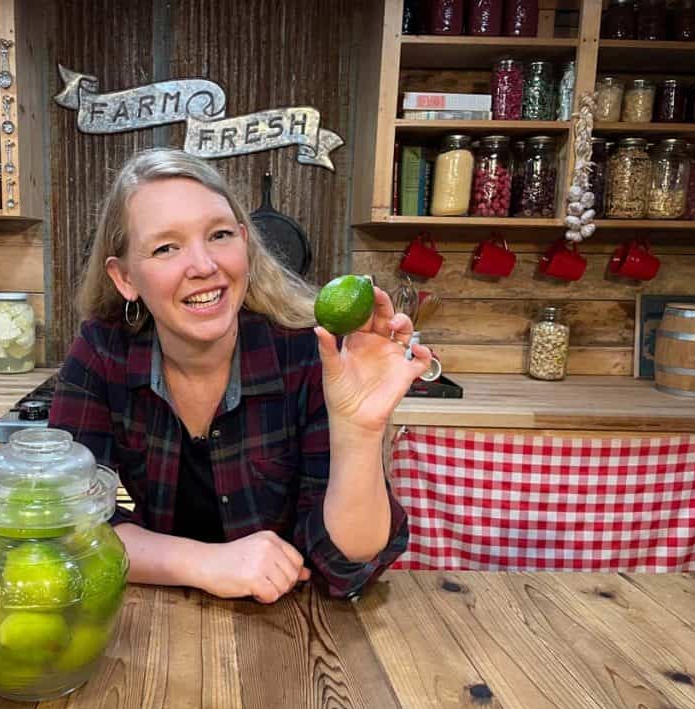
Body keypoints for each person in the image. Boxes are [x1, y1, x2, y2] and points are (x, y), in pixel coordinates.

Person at [49, 148, 432, 603]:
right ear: (125, 277)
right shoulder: (101, 351)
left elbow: (344, 564)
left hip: (293, 633)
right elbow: (64, 523)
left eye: (219, 235)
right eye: (166, 247)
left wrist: (360, 430)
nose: (204, 266)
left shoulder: (308, 353)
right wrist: (204, 562)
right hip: (155, 623)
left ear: (245, 245)